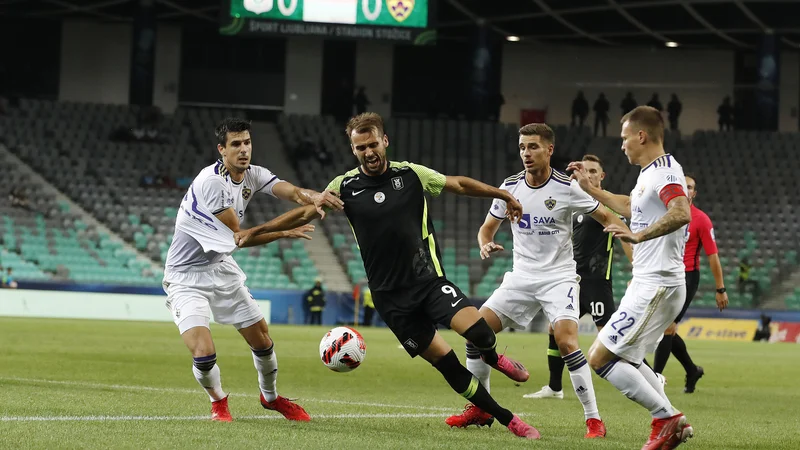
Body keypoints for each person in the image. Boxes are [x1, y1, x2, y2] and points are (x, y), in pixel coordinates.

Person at [235, 112, 542, 440]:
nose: (368, 152)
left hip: (429, 282)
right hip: (392, 301)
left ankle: (493, 356)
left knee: (481, 336)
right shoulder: (344, 187)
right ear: (353, 149)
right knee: (447, 364)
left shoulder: (411, 174)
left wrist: (502, 194)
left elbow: (458, 184)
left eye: (372, 144)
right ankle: (508, 418)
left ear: (385, 141)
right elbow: (304, 212)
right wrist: (254, 231)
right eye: (360, 147)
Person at [446, 126, 631, 439]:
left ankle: (594, 419)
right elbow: (486, 228)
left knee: (567, 341)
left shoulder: (567, 188)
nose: (526, 153)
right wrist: (485, 242)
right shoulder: (509, 187)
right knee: (474, 332)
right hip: (521, 277)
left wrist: (623, 232)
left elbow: (608, 216)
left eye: (533, 147)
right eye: (522, 147)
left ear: (549, 150)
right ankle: (481, 408)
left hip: (558, 278)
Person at [162, 117, 343, 423]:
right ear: (222, 149)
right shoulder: (212, 184)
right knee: (204, 353)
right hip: (186, 276)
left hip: (219, 267)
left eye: (247, 142)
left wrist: (317, 197)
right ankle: (218, 401)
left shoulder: (252, 174)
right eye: (236, 144)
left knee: (262, 339)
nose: (243, 149)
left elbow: (294, 192)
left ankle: (270, 398)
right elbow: (241, 237)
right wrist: (285, 230)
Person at [567, 106, 694, 449]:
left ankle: (668, 418)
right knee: (630, 360)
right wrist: (590, 188)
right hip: (654, 283)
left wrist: (640, 236)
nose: (622, 145)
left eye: (624, 138)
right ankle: (666, 420)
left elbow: (681, 211)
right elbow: (628, 205)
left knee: (600, 359)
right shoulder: (649, 173)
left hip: (657, 284)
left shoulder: (665, 173)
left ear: (641, 136)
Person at [524, 154, 632, 401]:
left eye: (594, 171)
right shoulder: (573, 203)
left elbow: (624, 233)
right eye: (586, 170)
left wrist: (636, 269)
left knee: (609, 336)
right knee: (554, 329)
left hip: (596, 283)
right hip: (572, 280)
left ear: (601, 176)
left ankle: (645, 372)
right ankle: (554, 388)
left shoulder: (607, 206)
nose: (590, 174)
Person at [652, 174, 729, 393]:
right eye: (682, 186)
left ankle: (655, 378)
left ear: (694, 193)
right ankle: (692, 369)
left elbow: (712, 256)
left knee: (667, 327)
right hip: (664, 274)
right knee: (668, 329)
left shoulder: (701, 219)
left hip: (686, 278)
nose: (686, 190)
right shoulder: (664, 214)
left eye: (690, 187)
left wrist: (720, 288)